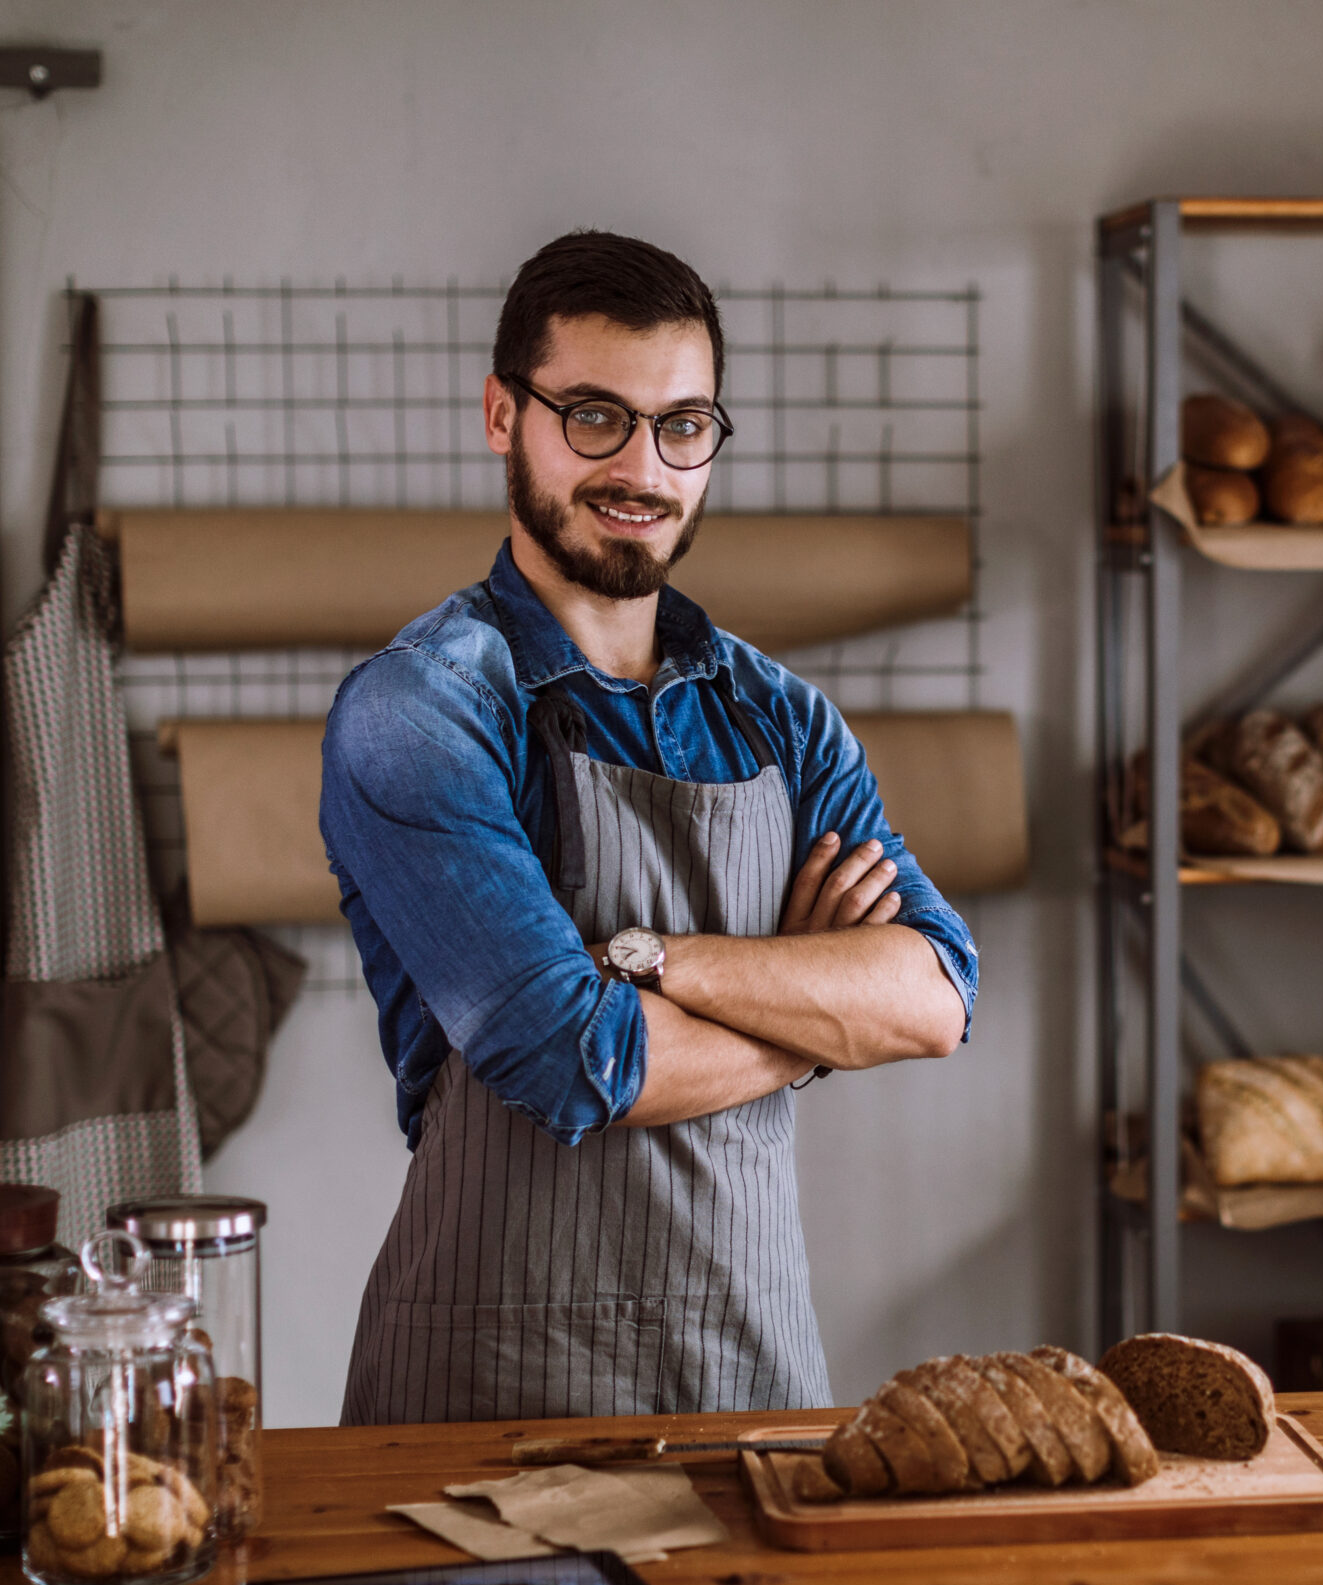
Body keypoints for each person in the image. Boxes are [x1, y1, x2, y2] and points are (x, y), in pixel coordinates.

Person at [321, 230, 975, 1425]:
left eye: (682, 425)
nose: (642, 466)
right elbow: (570, 1058)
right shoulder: (419, 711)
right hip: (487, 1396)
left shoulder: (782, 719)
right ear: (499, 414)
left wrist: (652, 964)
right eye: (592, 417)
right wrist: (817, 1019)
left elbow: (933, 997)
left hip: (752, 1373)